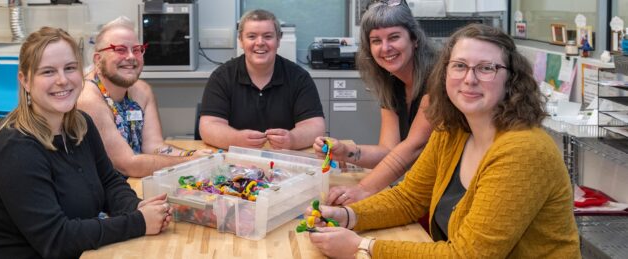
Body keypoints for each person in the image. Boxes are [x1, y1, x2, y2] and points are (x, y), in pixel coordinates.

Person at [305, 24, 581, 258]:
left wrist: (363, 247)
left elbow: (467, 255)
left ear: (511, 79)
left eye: (486, 68)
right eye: (459, 66)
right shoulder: (452, 130)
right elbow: (408, 198)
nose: (469, 79)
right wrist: (348, 216)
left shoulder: (523, 152)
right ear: (445, 73)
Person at [0, 27, 173, 259]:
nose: (62, 80)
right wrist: (138, 222)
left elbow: (109, 182)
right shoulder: (14, 151)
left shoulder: (81, 125)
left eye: (70, 68)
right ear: (24, 80)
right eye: (48, 72)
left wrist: (135, 207)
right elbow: (57, 240)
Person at [314, 0, 436, 205]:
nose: (386, 48)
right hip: (425, 191)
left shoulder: (436, 80)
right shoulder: (392, 83)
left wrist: (362, 189)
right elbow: (388, 151)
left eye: (394, 37)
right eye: (376, 40)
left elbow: (412, 148)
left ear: (414, 39)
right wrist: (344, 151)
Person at [77, 16, 211, 177]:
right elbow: (128, 164)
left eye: (137, 49)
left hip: (135, 183)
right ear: (98, 59)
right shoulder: (88, 100)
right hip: (103, 195)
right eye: (120, 49)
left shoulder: (142, 90)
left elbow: (154, 146)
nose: (131, 57)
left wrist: (196, 155)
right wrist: (191, 162)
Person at [199, 9, 325, 150]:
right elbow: (208, 126)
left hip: (285, 160)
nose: (260, 43)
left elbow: (315, 126)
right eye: (251, 36)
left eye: (268, 36)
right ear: (241, 40)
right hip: (234, 161)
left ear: (278, 40)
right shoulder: (222, 77)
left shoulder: (299, 77)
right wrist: (236, 139)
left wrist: (293, 139)